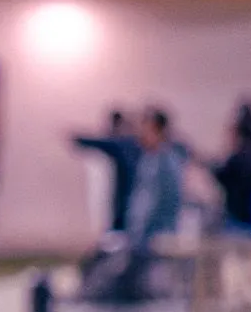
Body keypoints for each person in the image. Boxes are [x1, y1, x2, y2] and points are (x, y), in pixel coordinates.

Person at [126, 106, 187, 250]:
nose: (141, 134)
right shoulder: (148, 158)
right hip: (141, 234)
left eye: (146, 129)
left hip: (156, 236)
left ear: (157, 130)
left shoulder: (168, 161)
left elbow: (169, 198)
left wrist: (155, 231)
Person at [73, 110, 141, 234]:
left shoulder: (122, 142)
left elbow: (94, 142)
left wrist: (76, 138)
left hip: (126, 195)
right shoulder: (132, 142)